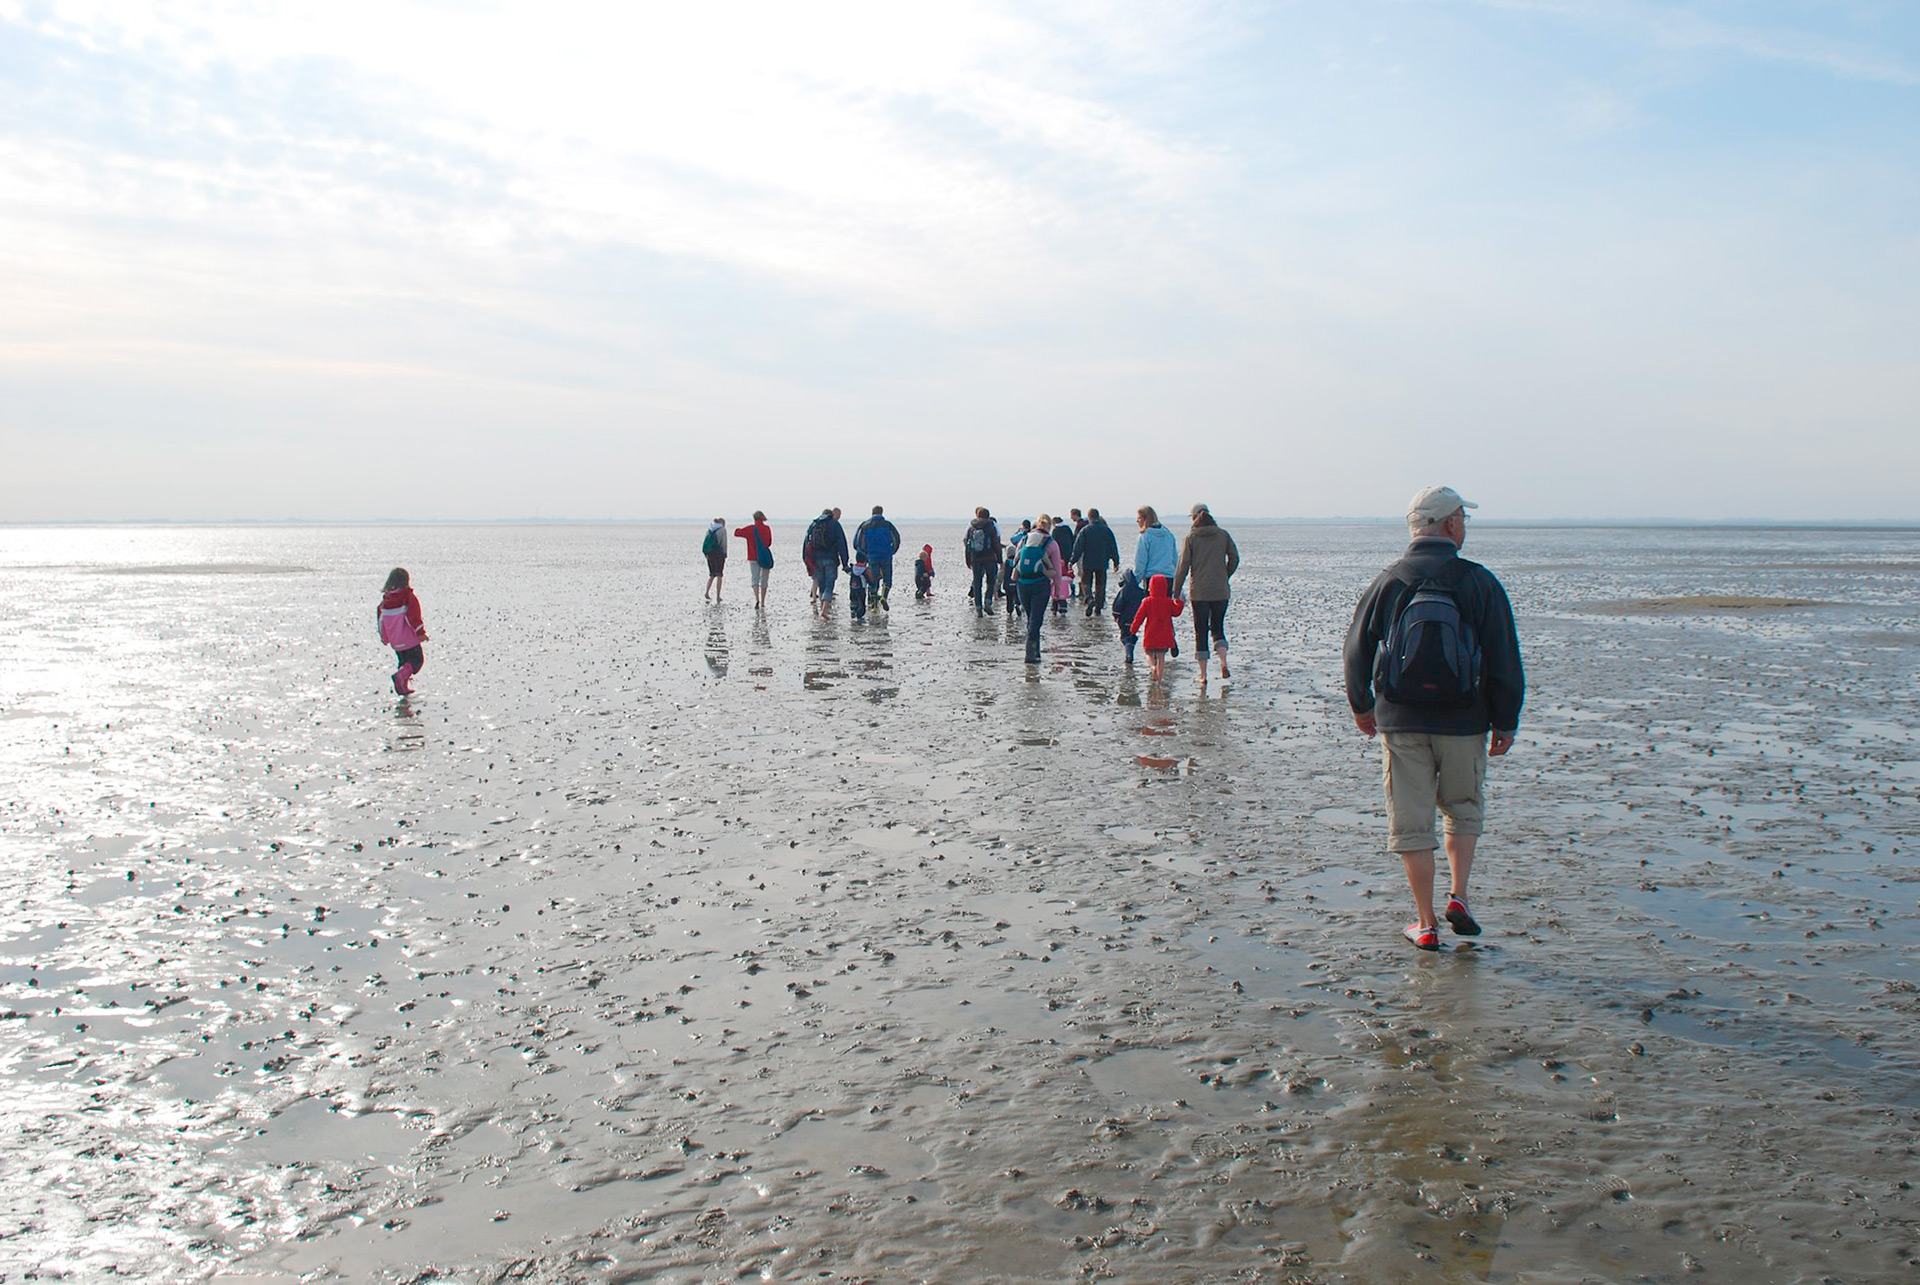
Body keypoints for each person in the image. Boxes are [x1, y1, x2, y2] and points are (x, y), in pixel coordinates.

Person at [1343, 485, 1525, 951]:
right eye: (1463, 517)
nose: (1465, 525)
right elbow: (1505, 657)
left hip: (1401, 721)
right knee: (1463, 809)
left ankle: (1425, 924)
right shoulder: (1478, 581)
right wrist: (1506, 721)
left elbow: (1356, 649)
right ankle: (1459, 895)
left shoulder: (1391, 579)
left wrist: (1362, 706)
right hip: (1466, 720)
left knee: (1411, 823)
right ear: (1448, 525)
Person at [1172, 503, 1240, 684]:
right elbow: (1235, 557)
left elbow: (1183, 566)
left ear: (1194, 517)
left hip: (1200, 592)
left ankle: (1203, 676)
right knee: (1218, 628)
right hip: (1221, 590)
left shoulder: (1191, 537)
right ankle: (1223, 662)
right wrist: (1225, 574)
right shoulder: (1223, 535)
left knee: (1201, 631)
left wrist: (1176, 590)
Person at [1014, 517, 1064, 663]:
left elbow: (1016, 560)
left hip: (1022, 584)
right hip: (1040, 584)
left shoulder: (1024, 540)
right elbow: (1057, 570)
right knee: (1036, 619)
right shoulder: (1052, 543)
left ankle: (1035, 652)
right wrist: (1057, 590)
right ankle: (1030, 654)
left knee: (1031, 618)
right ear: (1049, 527)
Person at [376, 567, 428, 695]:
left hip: (395, 640)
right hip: (409, 639)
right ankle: (401, 678)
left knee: (403, 661)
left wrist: (384, 637)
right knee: (416, 660)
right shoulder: (407, 597)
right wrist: (420, 633)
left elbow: (381, 621)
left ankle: (402, 686)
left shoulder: (385, 601)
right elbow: (413, 617)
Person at [1130, 573, 1184, 682]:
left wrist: (1133, 629)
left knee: (1148, 653)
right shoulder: (1168, 602)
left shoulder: (1147, 602)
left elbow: (1139, 617)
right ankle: (1159, 679)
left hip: (1151, 633)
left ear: (1150, 588)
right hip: (1165, 634)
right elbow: (1176, 612)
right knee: (1161, 657)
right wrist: (1179, 601)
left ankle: (1152, 667)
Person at [804, 508, 849, 618]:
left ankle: (822, 608)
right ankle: (824, 610)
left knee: (822, 585)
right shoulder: (835, 524)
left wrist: (806, 560)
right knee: (829, 584)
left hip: (816, 559)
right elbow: (842, 543)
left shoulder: (814, 524)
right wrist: (845, 562)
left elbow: (806, 543)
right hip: (831, 559)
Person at [1074, 508, 1120, 616]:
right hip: (1102, 562)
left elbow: (1078, 547)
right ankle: (1098, 608)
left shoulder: (1085, 530)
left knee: (1086, 583)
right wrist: (1116, 561)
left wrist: (1072, 560)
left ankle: (1089, 599)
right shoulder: (1107, 530)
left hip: (1088, 562)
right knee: (1101, 585)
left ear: (1089, 517)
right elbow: (1113, 546)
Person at [855, 507, 901, 610]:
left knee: (873, 581)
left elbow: (859, 543)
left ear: (872, 513)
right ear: (881, 513)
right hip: (886, 555)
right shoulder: (888, 525)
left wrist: (866, 553)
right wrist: (892, 551)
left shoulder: (865, 525)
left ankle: (874, 605)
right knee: (887, 579)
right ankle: (884, 597)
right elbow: (897, 539)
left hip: (872, 556)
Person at [963, 507, 1003, 615]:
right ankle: (988, 602)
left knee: (977, 582)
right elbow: (996, 542)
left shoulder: (971, 526)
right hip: (990, 558)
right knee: (991, 581)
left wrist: (968, 559)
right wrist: (1000, 559)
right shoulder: (991, 525)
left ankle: (978, 608)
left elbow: (967, 542)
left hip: (975, 558)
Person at [733, 511, 774, 610]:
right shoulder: (767, 528)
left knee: (755, 579)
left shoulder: (751, 529)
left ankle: (756, 599)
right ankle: (763, 602)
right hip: (764, 557)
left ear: (754, 518)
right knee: (764, 579)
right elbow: (769, 543)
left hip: (753, 556)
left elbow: (736, 533)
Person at [1133, 506, 1177, 586]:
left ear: (1145, 519)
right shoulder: (1168, 535)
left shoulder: (1145, 536)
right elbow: (1174, 559)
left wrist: (1136, 581)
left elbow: (1141, 561)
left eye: (1139, 518)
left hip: (1152, 578)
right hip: (1168, 578)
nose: (1137, 521)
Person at [1111, 568, 1144, 666]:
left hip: (1124, 618)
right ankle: (1131, 650)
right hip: (1136, 619)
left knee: (1125, 636)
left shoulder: (1124, 591)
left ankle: (1128, 654)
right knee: (1132, 635)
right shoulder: (1140, 591)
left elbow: (1117, 605)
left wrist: (1115, 615)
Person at [1049, 519, 1076, 614]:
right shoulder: (1068, 529)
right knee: (1067, 575)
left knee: (1056, 578)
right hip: (1067, 556)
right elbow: (1073, 541)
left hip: (1057, 557)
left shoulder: (1055, 531)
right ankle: (1071, 590)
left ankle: (1055, 605)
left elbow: (1052, 544)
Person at [702, 517, 728, 602]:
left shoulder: (710, 530)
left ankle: (706, 592)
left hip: (710, 554)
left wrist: (706, 553)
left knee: (712, 575)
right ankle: (718, 596)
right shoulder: (722, 530)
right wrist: (724, 554)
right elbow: (723, 543)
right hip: (719, 554)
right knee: (719, 575)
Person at [847, 555, 871, 621]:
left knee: (853, 601)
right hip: (861, 591)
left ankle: (853, 610)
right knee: (861, 605)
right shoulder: (865, 570)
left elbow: (847, 570)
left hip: (852, 589)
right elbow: (870, 580)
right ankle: (860, 617)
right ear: (865, 562)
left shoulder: (852, 568)